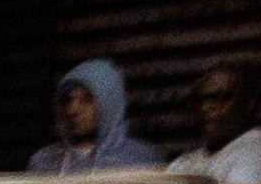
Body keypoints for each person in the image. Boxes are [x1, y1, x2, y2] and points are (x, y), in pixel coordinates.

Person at [29, 57, 167, 174]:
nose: (72, 109)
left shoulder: (143, 159)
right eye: (68, 99)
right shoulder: (44, 162)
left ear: (110, 103)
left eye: (87, 99)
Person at [171, 61, 261, 184]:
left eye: (220, 97)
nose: (206, 107)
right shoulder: (187, 161)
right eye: (201, 100)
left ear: (249, 104)